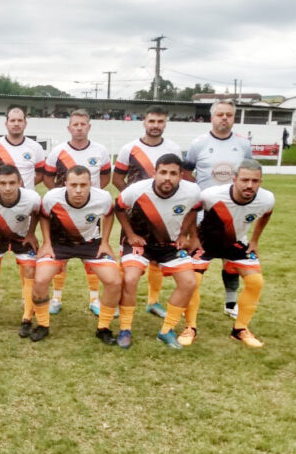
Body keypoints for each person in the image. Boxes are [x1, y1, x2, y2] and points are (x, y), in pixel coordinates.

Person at [115, 154, 200, 349]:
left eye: (173, 173)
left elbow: (195, 208)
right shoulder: (136, 190)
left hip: (169, 244)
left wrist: (184, 234)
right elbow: (118, 208)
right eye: (163, 172)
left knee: (189, 282)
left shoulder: (192, 191)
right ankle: (125, 329)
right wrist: (129, 234)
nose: (167, 178)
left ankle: (166, 330)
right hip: (140, 242)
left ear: (181, 175)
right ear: (155, 173)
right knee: (130, 278)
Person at [186, 159, 274, 348]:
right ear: (234, 179)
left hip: (236, 243)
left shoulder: (266, 199)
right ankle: (190, 327)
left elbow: (267, 213)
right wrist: (192, 237)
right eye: (244, 180)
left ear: (260, 182)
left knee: (256, 282)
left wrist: (255, 240)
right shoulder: (210, 195)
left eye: (255, 181)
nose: (249, 185)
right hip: (206, 242)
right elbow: (191, 211)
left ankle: (240, 329)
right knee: (192, 280)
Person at [31, 166, 121, 343]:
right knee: (40, 279)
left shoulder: (102, 197)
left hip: (91, 245)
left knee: (114, 281)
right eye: (73, 185)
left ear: (91, 184)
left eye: (83, 185)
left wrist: (105, 242)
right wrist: (47, 243)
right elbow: (43, 217)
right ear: (65, 184)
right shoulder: (52, 197)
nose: (78, 190)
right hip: (59, 245)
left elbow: (109, 215)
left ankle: (103, 328)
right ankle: (42, 325)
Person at [184, 100, 252, 319]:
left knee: (230, 260)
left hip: (235, 214)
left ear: (234, 118)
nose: (224, 118)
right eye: (220, 114)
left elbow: (248, 173)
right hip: (206, 214)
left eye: (229, 115)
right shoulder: (198, 143)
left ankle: (231, 303)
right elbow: (187, 173)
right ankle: (189, 303)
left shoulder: (243, 144)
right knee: (198, 260)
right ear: (211, 117)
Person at [113, 105, 183, 319]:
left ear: (165, 123)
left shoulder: (174, 149)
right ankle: (117, 301)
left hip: (164, 213)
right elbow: (117, 178)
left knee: (157, 257)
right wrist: (134, 199)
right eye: (151, 121)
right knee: (128, 257)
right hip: (135, 217)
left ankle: (153, 301)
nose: (155, 126)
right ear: (144, 122)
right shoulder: (129, 149)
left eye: (160, 121)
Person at [43, 108, 111, 316]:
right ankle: (56, 298)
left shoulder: (100, 151)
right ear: (69, 128)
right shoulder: (58, 151)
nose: (79, 128)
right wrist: (62, 199)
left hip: (90, 211)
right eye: (76, 124)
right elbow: (48, 178)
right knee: (59, 256)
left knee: (91, 255)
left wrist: (93, 197)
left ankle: (94, 299)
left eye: (83, 124)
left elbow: (106, 178)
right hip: (63, 212)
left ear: (89, 127)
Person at [0, 106, 45, 308]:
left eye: (20, 120)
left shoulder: (34, 147)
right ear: (6, 123)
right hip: (0, 208)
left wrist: (23, 193)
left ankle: (26, 299)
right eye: (12, 120)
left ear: (25, 123)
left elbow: (41, 174)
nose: (16, 123)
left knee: (25, 253)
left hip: (24, 210)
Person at [0, 165, 40, 336]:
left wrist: (32, 233)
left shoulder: (32, 198)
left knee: (29, 269)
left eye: (12, 183)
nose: (8, 187)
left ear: (20, 182)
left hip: (21, 237)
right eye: (3, 183)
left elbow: (37, 213)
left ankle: (27, 318)